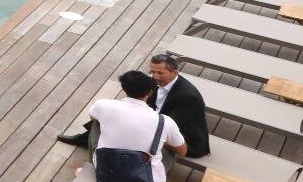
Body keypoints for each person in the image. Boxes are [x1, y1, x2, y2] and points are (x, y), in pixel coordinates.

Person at [58, 56, 208, 158]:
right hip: (159, 121)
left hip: (188, 142)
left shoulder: (188, 97)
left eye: (160, 73)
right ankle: (84, 139)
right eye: (152, 71)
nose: (155, 76)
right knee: (115, 117)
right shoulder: (156, 83)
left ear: (175, 72)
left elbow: (170, 128)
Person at [87, 68, 186, 182]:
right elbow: (182, 151)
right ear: (150, 93)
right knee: (172, 147)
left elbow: (92, 116)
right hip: (147, 181)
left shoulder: (103, 105)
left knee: (97, 123)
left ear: (124, 89)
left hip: (105, 173)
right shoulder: (165, 121)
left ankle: (94, 163)